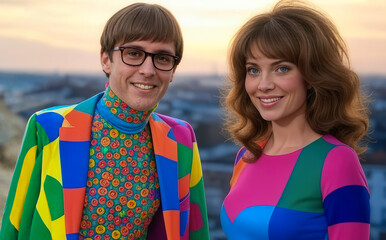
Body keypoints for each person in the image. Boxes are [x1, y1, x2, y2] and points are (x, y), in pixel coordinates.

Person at [0, 3, 209, 240]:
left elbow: (195, 231)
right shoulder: (49, 128)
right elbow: (14, 226)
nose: (148, 70)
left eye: (162, 57)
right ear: (106, 60)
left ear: (173, 71)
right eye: (134, 53)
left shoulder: (181, 138)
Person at [220, 0, 370, 239]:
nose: (264, 85)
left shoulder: (337, 161)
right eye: (253, 70)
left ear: (311, 75)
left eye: (282, 69)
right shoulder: (246, 156)